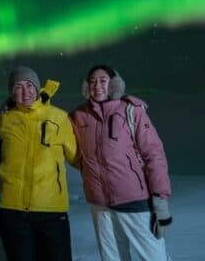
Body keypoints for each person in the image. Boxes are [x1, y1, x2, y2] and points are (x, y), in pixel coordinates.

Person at [69, 64, 173, 261]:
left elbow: (154, 154)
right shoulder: (79, 116)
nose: (97, 86)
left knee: (153, 256)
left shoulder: (131, 110)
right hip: (100, 205)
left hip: (133, 200)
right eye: (92, 82)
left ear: (114, 84)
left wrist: (160, 198)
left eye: (102, 81)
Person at [0, 65, 78, 261]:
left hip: (51, 209)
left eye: (30, 86)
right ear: (11, 93)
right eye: (18, 87)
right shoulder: (4, 119)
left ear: (38, 88)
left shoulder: (59, 117)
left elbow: (77, 158)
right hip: (12, 209)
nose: (25, 92)